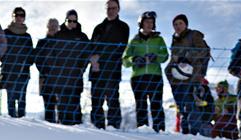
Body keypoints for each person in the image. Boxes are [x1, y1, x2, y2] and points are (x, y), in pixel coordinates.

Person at [122, 10, 167, 132]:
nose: (149, 24)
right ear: (141, 23)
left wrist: (156, 57)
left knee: (156, 105)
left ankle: (160, 131)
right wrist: (134, 59)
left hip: (155, 76)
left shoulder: (159, 40)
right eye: (146, 22)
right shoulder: (134, 40)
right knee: (141, 106)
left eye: (151, 22)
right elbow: (125, 60)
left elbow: (165, 56)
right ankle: (143, 131)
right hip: (138, 77)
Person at [164, 14, 209, 135]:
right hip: (177, 79)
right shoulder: (175, 39)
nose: (177, 26)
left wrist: (187, 57)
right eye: (175, 24)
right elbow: (174, 59)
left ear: (186, 24)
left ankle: (195, 134)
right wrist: (169, 73)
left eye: (180, 23)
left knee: (191, 106)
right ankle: (185, 135)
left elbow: (203, 50)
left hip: (192, 77)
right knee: (182, 107)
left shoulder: (194, 35)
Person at [88, 0, 129, 130]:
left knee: (112, 100)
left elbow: (119, 48)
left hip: (112, 70)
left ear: (118, 9)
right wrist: (92, 59)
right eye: (108, 8)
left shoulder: (123, 27)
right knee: (96, 101)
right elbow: (91, 47)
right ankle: (97, 127)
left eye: (113, 8)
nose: (111, 10)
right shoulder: (98, 28)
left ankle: (114, 127)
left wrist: (99, 57)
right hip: (96, 70)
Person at [52, 9, 90, 126]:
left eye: (74, 21)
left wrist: (81, 69)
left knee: (75, 105)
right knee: (62, 106)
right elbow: (51, 55)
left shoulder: (82, 37)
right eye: (70, 20)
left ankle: (77, 129)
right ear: (65, 20)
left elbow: (87, 54)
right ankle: (62, 129)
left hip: (76, 78)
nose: (72, 23)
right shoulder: (57, 35)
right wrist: (55, 71)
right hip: (60, 79)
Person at [0, 7, 33, 118]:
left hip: (23, 72)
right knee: (11, 100)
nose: (19, 17)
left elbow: (31, 54)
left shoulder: (27, 36)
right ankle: (12, 122)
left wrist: (26, 62)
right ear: (13, 17)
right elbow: (0, 51)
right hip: (9, 71)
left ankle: (22, 121)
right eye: (17, 15)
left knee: (22, 99)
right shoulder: (5, 33)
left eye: (22, 15)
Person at [34, 18, 61, 123]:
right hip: (45, 79)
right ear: (47, 26)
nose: (53, 28)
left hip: (60, 79)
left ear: (58, 27)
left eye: (55, 25)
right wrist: (46, 72)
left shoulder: (62, 43)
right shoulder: (41, 42)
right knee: (49, 108)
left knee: (61, 108)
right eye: (51, 25)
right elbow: (38, 60)